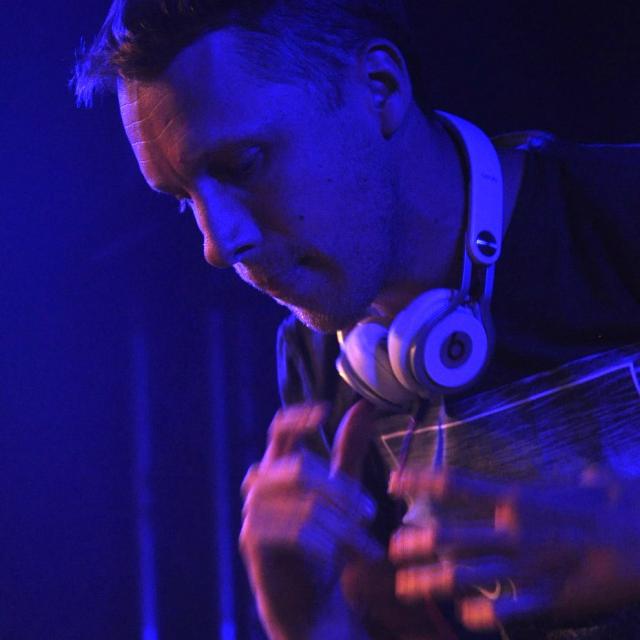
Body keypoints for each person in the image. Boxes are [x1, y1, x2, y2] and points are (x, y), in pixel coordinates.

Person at [74, 1, 640, 638]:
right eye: (186, 200)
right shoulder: (317, 362)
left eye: (243, 164)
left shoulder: (621, 210)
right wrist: (309, 623)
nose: (218, 243)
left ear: (380, 88)